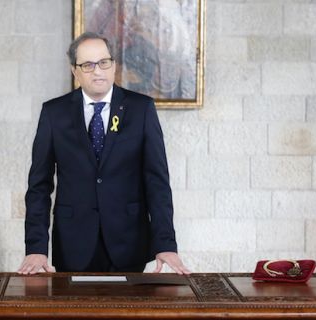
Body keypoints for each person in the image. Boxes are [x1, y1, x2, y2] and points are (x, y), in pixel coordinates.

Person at [18, 32, 190, 275]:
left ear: (114, 66)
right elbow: (39, 186)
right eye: (87, 65)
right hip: (72, 244)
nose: (97, 71)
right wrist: (35, 247)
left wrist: (165, 244)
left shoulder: (141, 109)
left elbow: (157, 182)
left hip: (128, 242)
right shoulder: (54, 113)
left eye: (103, 63)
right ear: (74, 70)